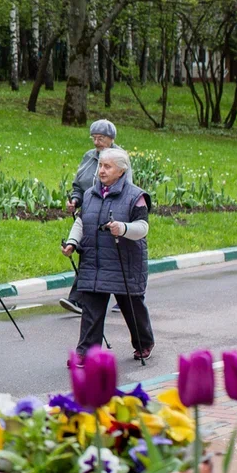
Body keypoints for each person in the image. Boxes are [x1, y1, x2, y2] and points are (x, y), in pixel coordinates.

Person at [62, 147, 155, 360]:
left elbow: (142, 227)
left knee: (132, 309)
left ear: (121, 171)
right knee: (91, 311)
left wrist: (122, 228)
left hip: (125, 263)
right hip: (95, 262)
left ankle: (144, 342)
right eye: (100, 166)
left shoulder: (136, 197)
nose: (101, 171)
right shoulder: (90, 193)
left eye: (107, 166)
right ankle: (86, 354)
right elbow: (81, 221)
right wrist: (72, 243)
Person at [61, 119, 123, 316]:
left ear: (111, 139)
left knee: (112, 258)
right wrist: (75, 200)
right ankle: (77, 300)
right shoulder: (88, 157)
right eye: (94, 138)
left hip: (110, 216)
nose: (96, 142)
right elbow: (78, 185)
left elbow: (125, 190)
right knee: (88, 255)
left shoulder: (119, 158)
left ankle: (128, 297)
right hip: (89, 213)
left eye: (101, 138)